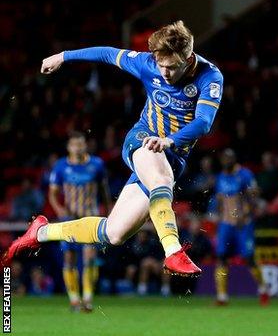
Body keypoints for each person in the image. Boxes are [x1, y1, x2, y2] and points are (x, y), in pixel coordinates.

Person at [4, 21, 224, 278]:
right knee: (161, 180)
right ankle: (174, 251)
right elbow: (107, 53)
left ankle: (41, 232)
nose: (164, 72)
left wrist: (171, 141)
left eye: (172, 66)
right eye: (160, 64)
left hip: (171, 154)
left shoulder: (210, 76)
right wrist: (63, 56)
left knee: (114, 233)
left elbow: (203, 122)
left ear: (188, 59)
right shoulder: (147, 63)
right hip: (143, 139)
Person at [48, 132, 112, 312]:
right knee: (69, 258)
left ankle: (88, 299)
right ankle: (74, 299)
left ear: (86, 145)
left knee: (90, 258)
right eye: (75, 145)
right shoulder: (61, 166)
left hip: (90, 217)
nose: (78, 147)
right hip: (69, 219)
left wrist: (107, 213)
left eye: (81, 144)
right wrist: (59, 209)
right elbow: (52, 193)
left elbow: (104, 191)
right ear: (69, 147)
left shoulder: (97, 164)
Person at [213, 149, 268, 306]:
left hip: (243, 224)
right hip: (225, 223)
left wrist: (246, 214)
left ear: (234, 159)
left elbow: (253, 195)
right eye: (223, 158)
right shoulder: (221, 177)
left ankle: (263, 288)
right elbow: (220, 199)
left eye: (228, 158)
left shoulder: (245, 174)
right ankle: (222, 296)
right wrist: (219, 218)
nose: (225, 161)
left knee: (249, 258)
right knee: (222, 257)